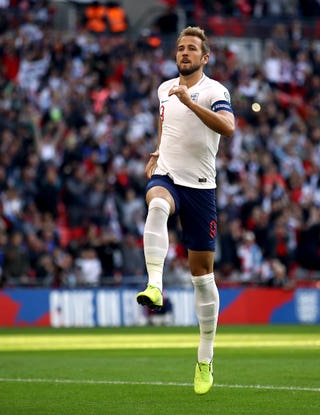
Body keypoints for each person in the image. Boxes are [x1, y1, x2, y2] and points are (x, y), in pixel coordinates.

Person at [135, 26, 235, 395]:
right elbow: (164, 120)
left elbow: (228, 127)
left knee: (202, 277)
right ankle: (155, 285)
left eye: (192, 49)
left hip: (201, 188)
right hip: (169, 175)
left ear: (204, 58)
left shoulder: (214, 91)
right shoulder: (164, 88)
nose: (184, 53)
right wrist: (159, 149)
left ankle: (205, 358)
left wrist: (191, 103)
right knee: (157, 203)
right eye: (180, 48)